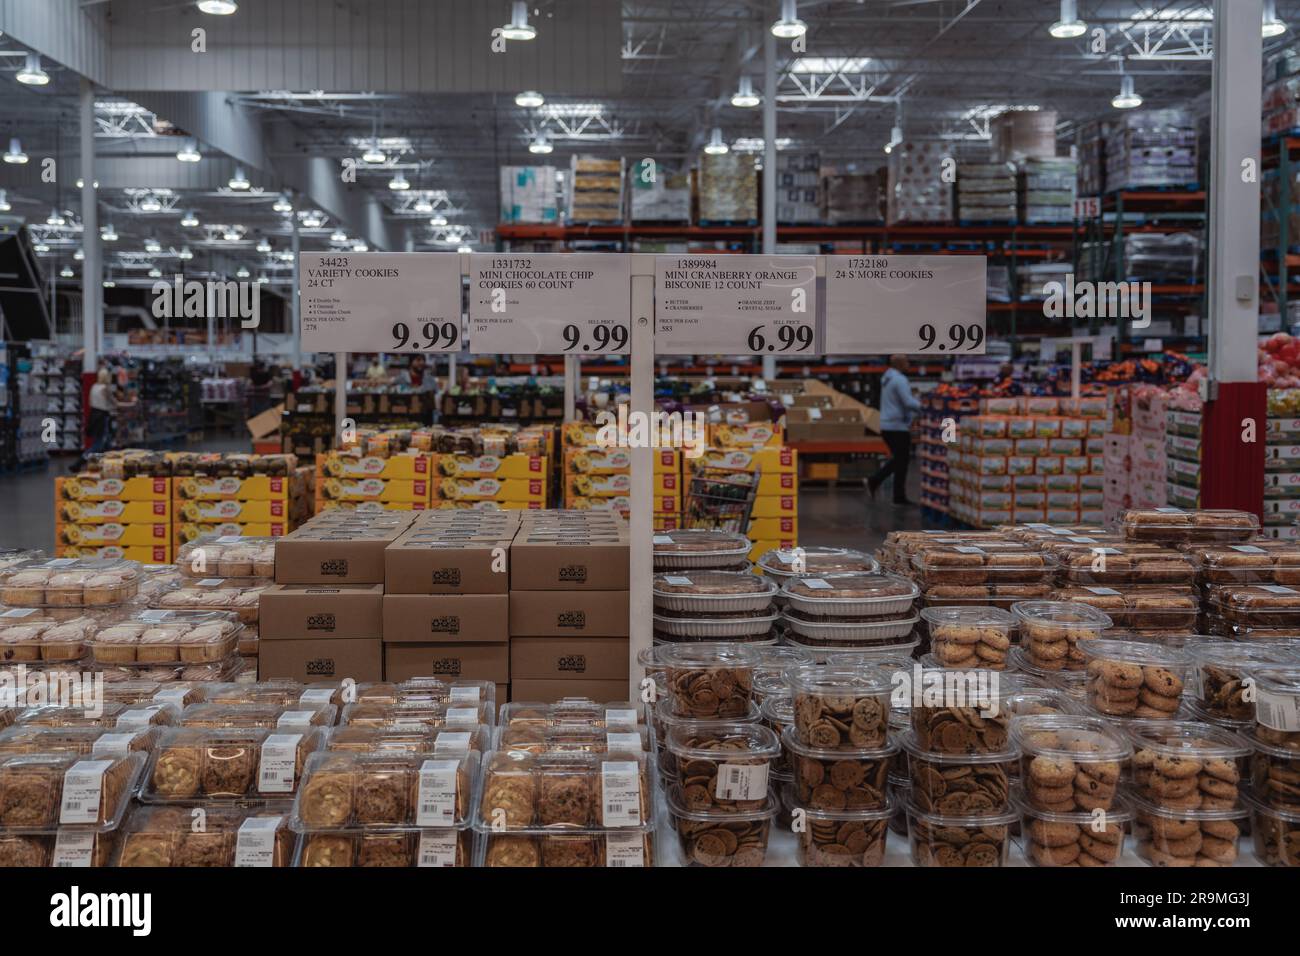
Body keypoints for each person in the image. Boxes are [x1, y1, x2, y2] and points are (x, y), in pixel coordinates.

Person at [868, 354, 922, 506]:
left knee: (900, 460)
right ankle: (876, 481)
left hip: (887, 425)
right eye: (906, 361)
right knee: (901, 460)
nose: (909, 363)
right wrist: (925, 406)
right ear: (899, 363)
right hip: (897, 426)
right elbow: (908, 402)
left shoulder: (887, 377)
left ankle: (897, 495)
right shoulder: (900, 380)